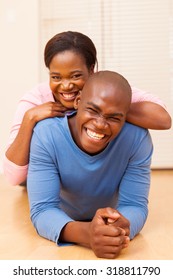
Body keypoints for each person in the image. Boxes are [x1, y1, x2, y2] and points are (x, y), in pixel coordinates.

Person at [3, 31, 171, 186]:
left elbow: (163, 119)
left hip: (96, 184)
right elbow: (13, 178)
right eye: (56, 77)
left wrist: (104, 108)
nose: (66, 85)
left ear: (91, 70)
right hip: (50, 184)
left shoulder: (105, 91)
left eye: (76, 76)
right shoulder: (35, 99)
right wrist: (29, 118)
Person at [27, 70, 153, 259]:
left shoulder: (137, 139)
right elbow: (43, 210)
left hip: (111, 214)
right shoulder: (46, 134)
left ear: (126, 118)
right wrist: (87, 234)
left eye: (114, 118)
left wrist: (118, 229)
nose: (100, 124)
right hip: (64, 214)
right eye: (93, 110)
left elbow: (134, 204)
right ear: (77, 102)